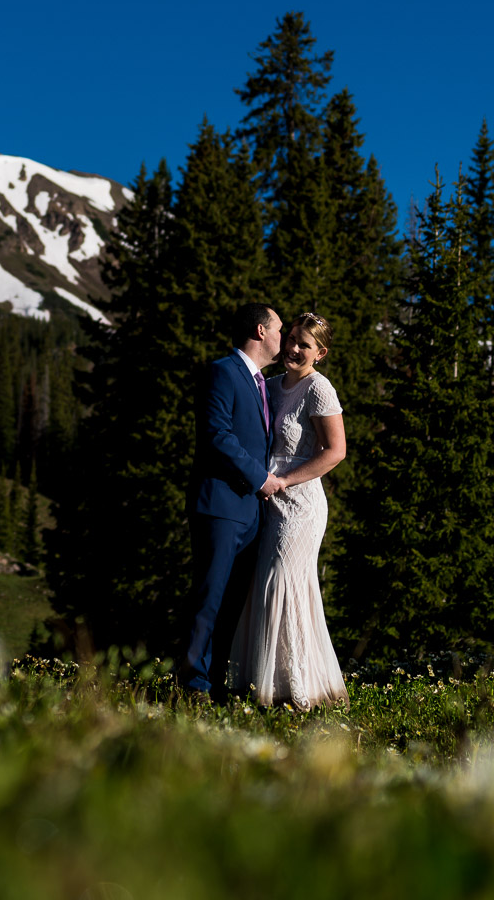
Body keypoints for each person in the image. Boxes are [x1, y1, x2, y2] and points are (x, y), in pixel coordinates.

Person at [228, 312, 348, 709]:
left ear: (321, 353)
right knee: (263, 584)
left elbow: (335, 452)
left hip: (301, 503)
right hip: (266, 499)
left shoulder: (319, 389)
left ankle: (296, 689)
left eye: (305, 345)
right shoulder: (272, 385)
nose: (294, 349)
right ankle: (257, 681)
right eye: (292, 339)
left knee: (284, 581)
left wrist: (286, 481)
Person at [181, 303, 285, 698]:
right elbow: (216, 435)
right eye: (279, 328)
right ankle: (193, 686)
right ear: (260, 331)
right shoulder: (222, 371)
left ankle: (217, 684)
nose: (283, 336)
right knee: (209, 598)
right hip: (220, 507)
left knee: (231, 606)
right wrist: (261, 478)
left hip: (251, 513)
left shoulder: (262, 382)